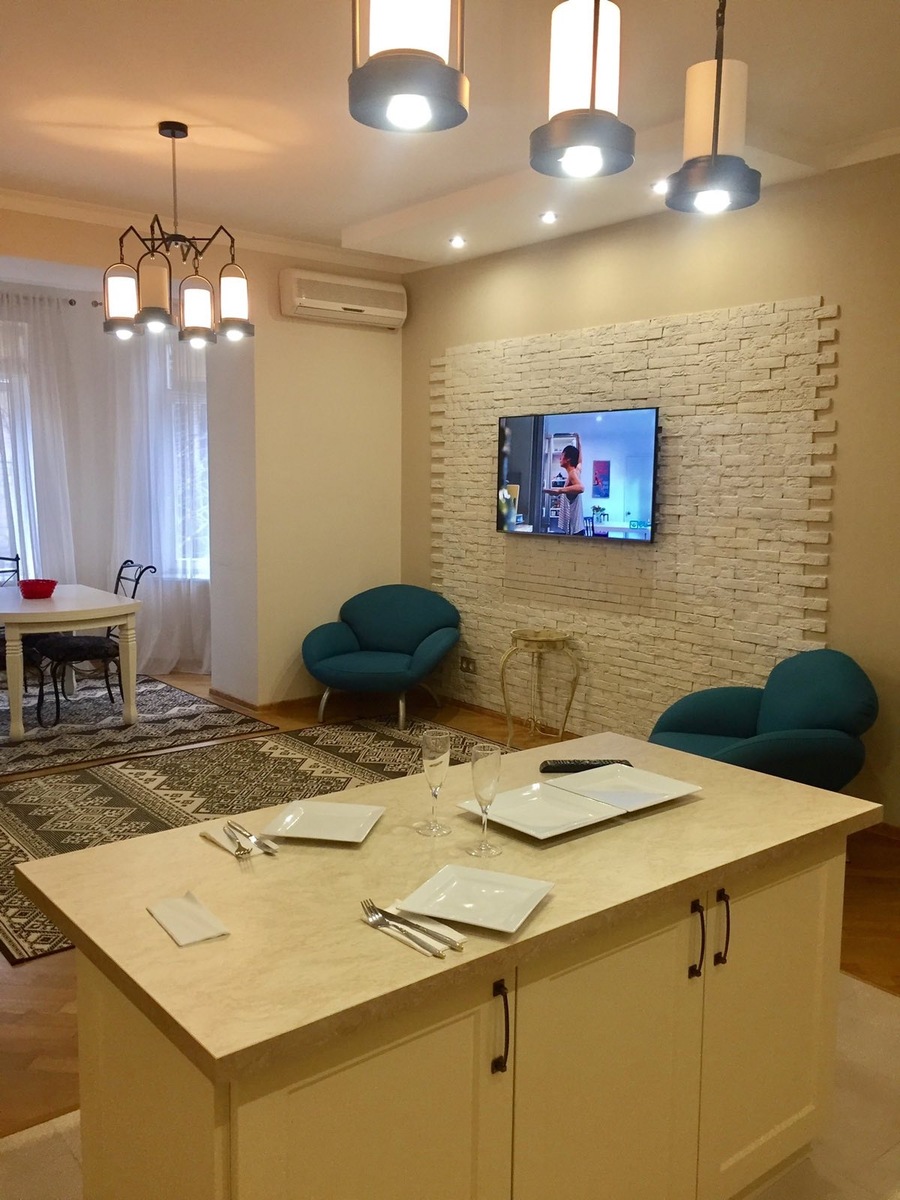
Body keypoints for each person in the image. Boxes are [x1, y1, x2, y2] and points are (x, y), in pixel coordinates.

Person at [544, 434, 584, 534]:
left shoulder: (572, 474)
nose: (560, 459)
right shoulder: (576, 471)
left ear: (568, 459)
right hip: (579, 530)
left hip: (574, 532)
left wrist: (560, 490)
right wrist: (579, 441)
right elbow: (580, 461)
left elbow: (581, 488)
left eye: (561, 456)